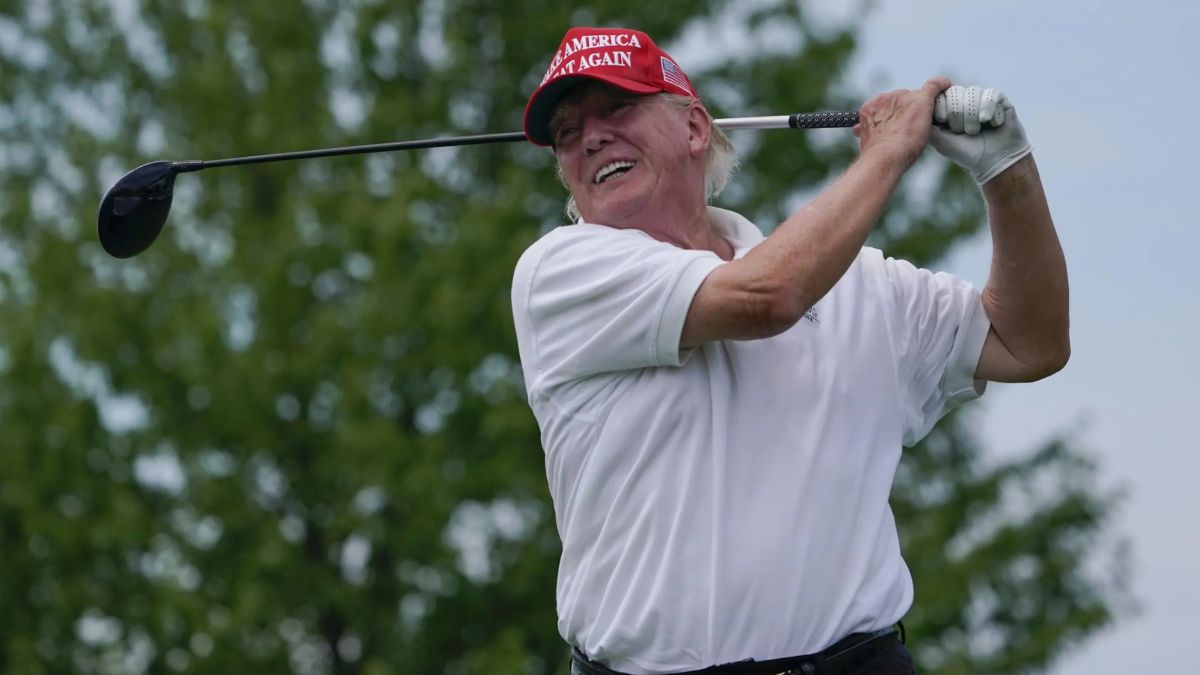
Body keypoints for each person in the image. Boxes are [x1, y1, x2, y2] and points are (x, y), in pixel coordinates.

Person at [510, 26, 1069, 675]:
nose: (590, 137)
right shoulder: (560, 271)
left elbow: (1029, 343)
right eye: (567, 133)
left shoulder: (861, 283)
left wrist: (1006, 170)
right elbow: (769, 295)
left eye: (616, 108)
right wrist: (888, 154)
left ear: (695, 127)